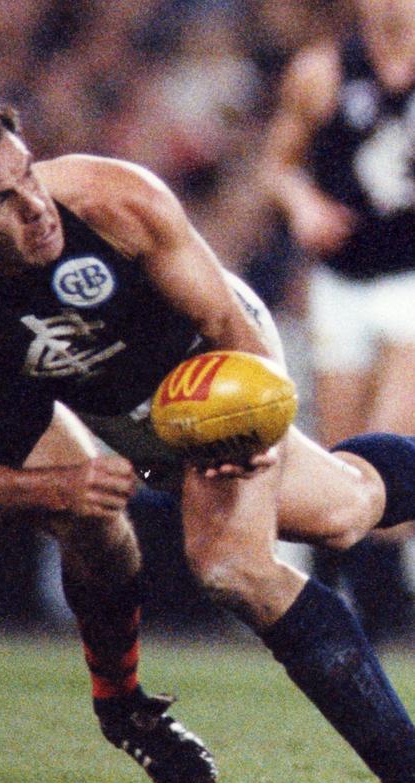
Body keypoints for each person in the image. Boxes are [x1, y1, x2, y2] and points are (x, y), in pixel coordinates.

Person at [0, 88, 415, 783]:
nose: (34, 206)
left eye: (29, 175)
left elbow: (229, 321)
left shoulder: (114, 199)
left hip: (213, 364)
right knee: (347, 510)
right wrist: (63, 484)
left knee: (230, 564)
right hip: (121, 413)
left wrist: (249, 426)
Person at [261, 0, 415, 634]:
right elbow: (277, 164)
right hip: (342, 279)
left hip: (410, 277)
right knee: (342, 458)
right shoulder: (323, 71)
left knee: (392, 435)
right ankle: (353, 615)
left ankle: (382, 612)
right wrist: (303, 205)